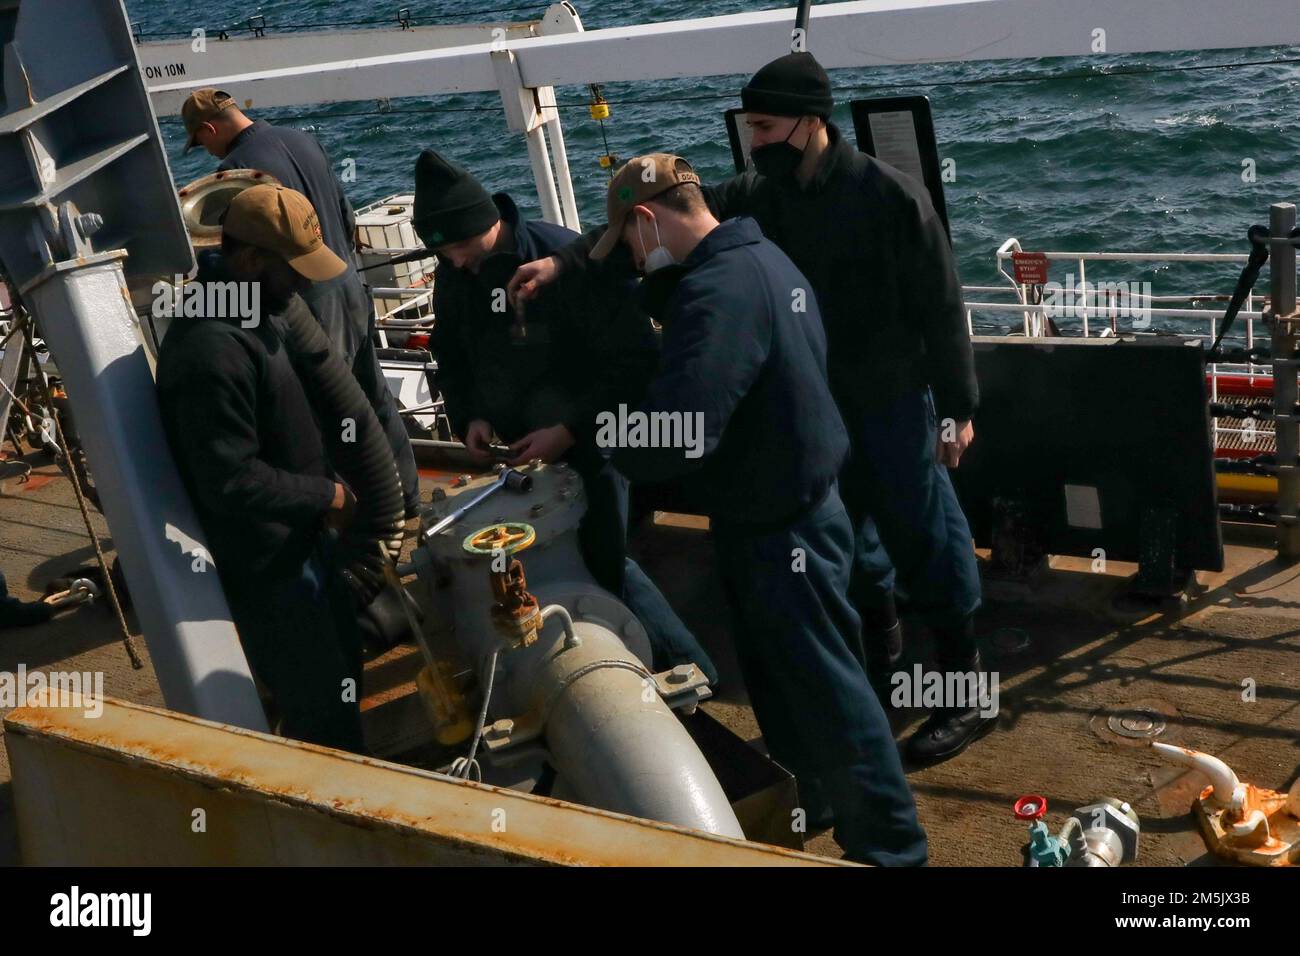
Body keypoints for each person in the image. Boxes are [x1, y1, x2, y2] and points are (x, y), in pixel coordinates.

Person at [510, 53, 988, 765]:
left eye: (764, 125)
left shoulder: (889, 196)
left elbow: (943, 308)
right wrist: (565, 262)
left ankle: (965, 693)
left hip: (890, 400)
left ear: (809, 120)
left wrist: (958, 408)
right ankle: (885, 674)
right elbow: (669, 219)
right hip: (821, 404)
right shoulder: (760, 190)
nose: (754, 139)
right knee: (858, 552)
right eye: (751, 126)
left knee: (927, 540)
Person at [593, 152, 927, 865]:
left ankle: (894, 851)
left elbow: (684, 431)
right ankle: (824, 799)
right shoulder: (761, 258)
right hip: (794, 510)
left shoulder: (718, 292)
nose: (631, 257)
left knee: (838, 703)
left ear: (647, 220)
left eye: (627, 242)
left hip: (785, 531)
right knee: (794, 690)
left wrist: (601, 437)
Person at [412, 149, 717, 683]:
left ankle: (689, 670)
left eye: (462, 246)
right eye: (445, 254)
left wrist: (570, 428)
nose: (456, 261)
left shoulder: (565, 258)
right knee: (558, 558)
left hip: (593, 442)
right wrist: (470, 417)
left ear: (490, 222)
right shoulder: (456, 272)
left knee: (607, 562)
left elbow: (633, 362)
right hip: (524, 455)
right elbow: (452, 353)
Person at [156, 184, 366, 753]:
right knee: (323, 713)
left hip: (303, 544)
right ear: (248, 259)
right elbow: (229, 478)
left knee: (345, 677)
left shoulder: (250, 310)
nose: (303, 282)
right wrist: (323, 496)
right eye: (293, 269)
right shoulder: (212, 350)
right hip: (272, 570)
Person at [181, 87, 420, 517]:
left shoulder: (239, 173)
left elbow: (244, 253)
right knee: (375, 396)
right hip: (347, 279)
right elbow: (345, 215)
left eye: (201, 142)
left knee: (330, 411)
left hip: (308, 299)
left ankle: (361, 509)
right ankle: (408, 496)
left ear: (209, 129)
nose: (206, 153)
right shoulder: (301, 138)